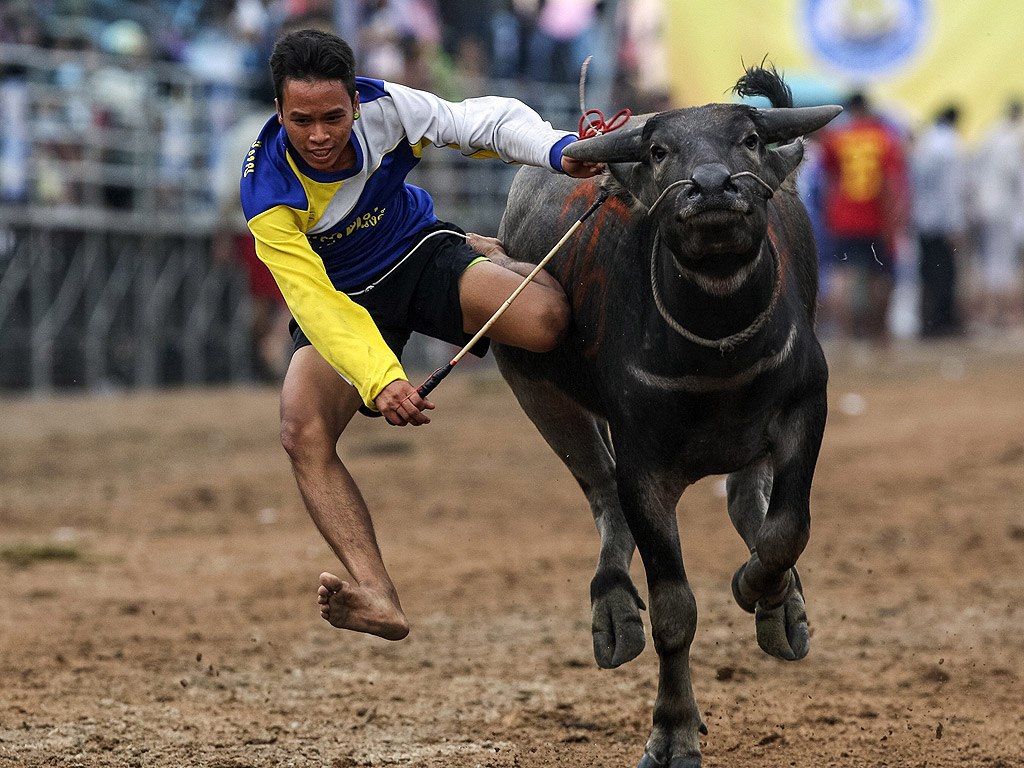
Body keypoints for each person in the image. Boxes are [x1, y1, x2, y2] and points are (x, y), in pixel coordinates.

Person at [240, 28, 602, 641]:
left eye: (333, 116)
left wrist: (556, 148)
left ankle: (481, 253)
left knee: (547, 323)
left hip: (415, 254)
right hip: (343, 301)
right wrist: (381, 378)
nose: (321, 135)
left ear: (356, 102)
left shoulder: (388, 107)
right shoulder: (266, 192)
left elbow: (479, 122)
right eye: (302, 121)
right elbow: (315, 303)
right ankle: (378, 594)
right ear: (279, 113)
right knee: (300, 429)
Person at [819, 91, 911, 347]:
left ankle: (844, 336)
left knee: (842, 277)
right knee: (878, 279)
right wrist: (895, 219)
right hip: (876, 221)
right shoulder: (886, 138)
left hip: (842, 220)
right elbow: (894, 183)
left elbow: (828, 179)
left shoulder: (836, 137)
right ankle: (877, 334)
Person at [910, 105, 967, 338]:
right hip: (942, 222)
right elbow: (949, 189)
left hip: (922, 219)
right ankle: (943, 323)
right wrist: (955, 225)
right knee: (946, 274)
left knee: (927, 273)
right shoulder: (949, 145)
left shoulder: (925, 142)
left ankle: (927, 323)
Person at [971, 100, 1024, 331]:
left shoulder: (991, 135)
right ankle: (1000, 313)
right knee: (1003, 261)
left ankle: (992, 312)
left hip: (985, 206)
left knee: (989, 260)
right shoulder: (1011, 139)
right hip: (1003, 208)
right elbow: (1014, 176)